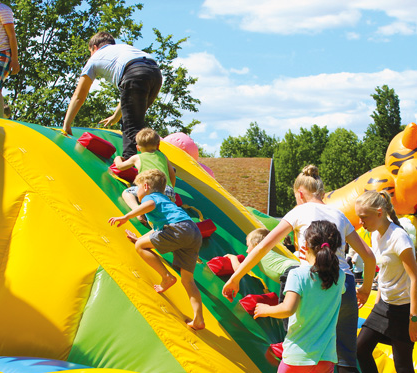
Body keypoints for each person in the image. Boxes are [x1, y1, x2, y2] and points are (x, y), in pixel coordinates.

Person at [221, 165, 388, 373]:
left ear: (300, 194)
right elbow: (369, 256)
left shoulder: (298, 213)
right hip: (343, 286)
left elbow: (262, 248)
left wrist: (236, 277)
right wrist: (363, 287)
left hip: (310, 288)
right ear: (321, 192)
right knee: (347, 364)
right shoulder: (338, 214)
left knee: (301, 356)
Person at [253, 221, 345, 373]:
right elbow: (322, 280)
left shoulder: (298, 274)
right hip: (326, 356)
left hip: (298, 352)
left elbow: (288, 308)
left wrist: (266, 309)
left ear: (305, 245)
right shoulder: (341, 277)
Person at [354, 191, 417, 373]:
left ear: (379, 213)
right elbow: (378, 266)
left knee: (403, 366)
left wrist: (413, 318)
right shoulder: (375, 233)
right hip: (385, 304)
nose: (361, 222)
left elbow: (415, 278)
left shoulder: (399, 238)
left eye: (364, 217)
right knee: (361, 348)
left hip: (405, 308)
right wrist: (372, 292)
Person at [108, 169, 204, 330]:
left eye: (137, 188)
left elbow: (150, 205)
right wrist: (140, 238)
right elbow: (158, 229)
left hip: (178, 229)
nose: (137, 192)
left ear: (145, 186)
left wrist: (126, 217)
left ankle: (166, 277)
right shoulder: (167, 203)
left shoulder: (152, 198)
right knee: (188, 280)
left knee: (140, 247)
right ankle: (198, 319)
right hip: (193, 232)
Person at [63, 32, 162, 161]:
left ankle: (129, 164)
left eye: (90, 51)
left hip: (134, 73)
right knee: (137, 124)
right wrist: (116, 115)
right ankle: (159, 162)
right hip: (154, 72)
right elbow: (129, 92)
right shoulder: (122, 49)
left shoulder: (94, 58)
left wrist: (67, 124)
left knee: (130, 127)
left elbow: (78, 96)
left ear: (94, 47)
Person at [115, 128, 176, 226]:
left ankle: (137, 211)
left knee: (127, 193)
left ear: (138, 148)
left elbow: (120, 167)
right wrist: (171, 188)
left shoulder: (137, 157)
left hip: (149, 190)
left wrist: (117, 158)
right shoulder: (163, 156)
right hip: (167, 191)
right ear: (158, 145)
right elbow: (172, 174)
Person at [225, 228, 300, 302]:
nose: (246, 250)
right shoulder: (269, 254)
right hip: (301, 269)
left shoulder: (259, 253)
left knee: (285, 305)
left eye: (248, 246)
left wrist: (232, 257)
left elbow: (239, 269)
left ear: (257, 246)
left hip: (291, 272)